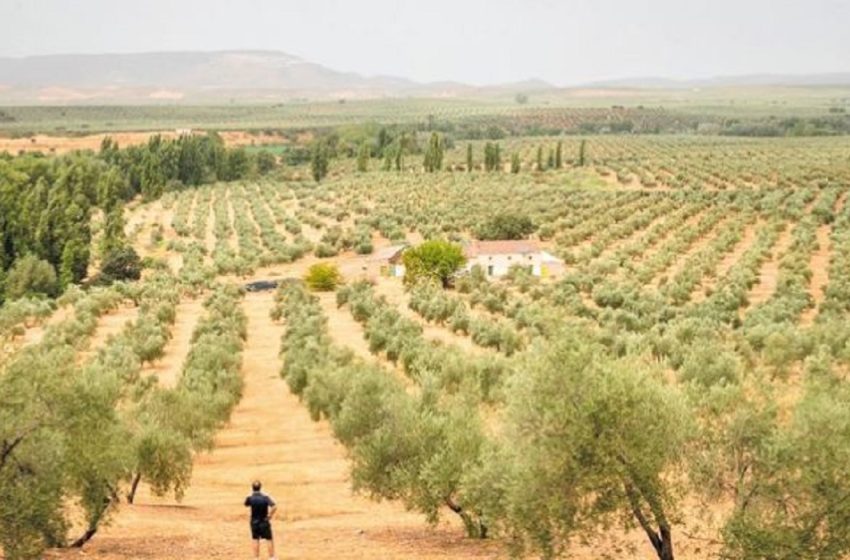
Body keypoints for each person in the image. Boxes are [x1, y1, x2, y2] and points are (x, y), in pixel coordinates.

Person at [244, 480, 278, 560]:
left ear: (252, 488)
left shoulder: (250, 498)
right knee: (269, 539)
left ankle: (256, 558)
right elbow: (274, 506)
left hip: (254, 522)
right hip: (264, 521)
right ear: (260, 488)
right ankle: (271, 557)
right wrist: (269, 515)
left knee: (255, 539)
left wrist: (249, 495)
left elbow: (246, 504)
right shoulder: (265, 497)